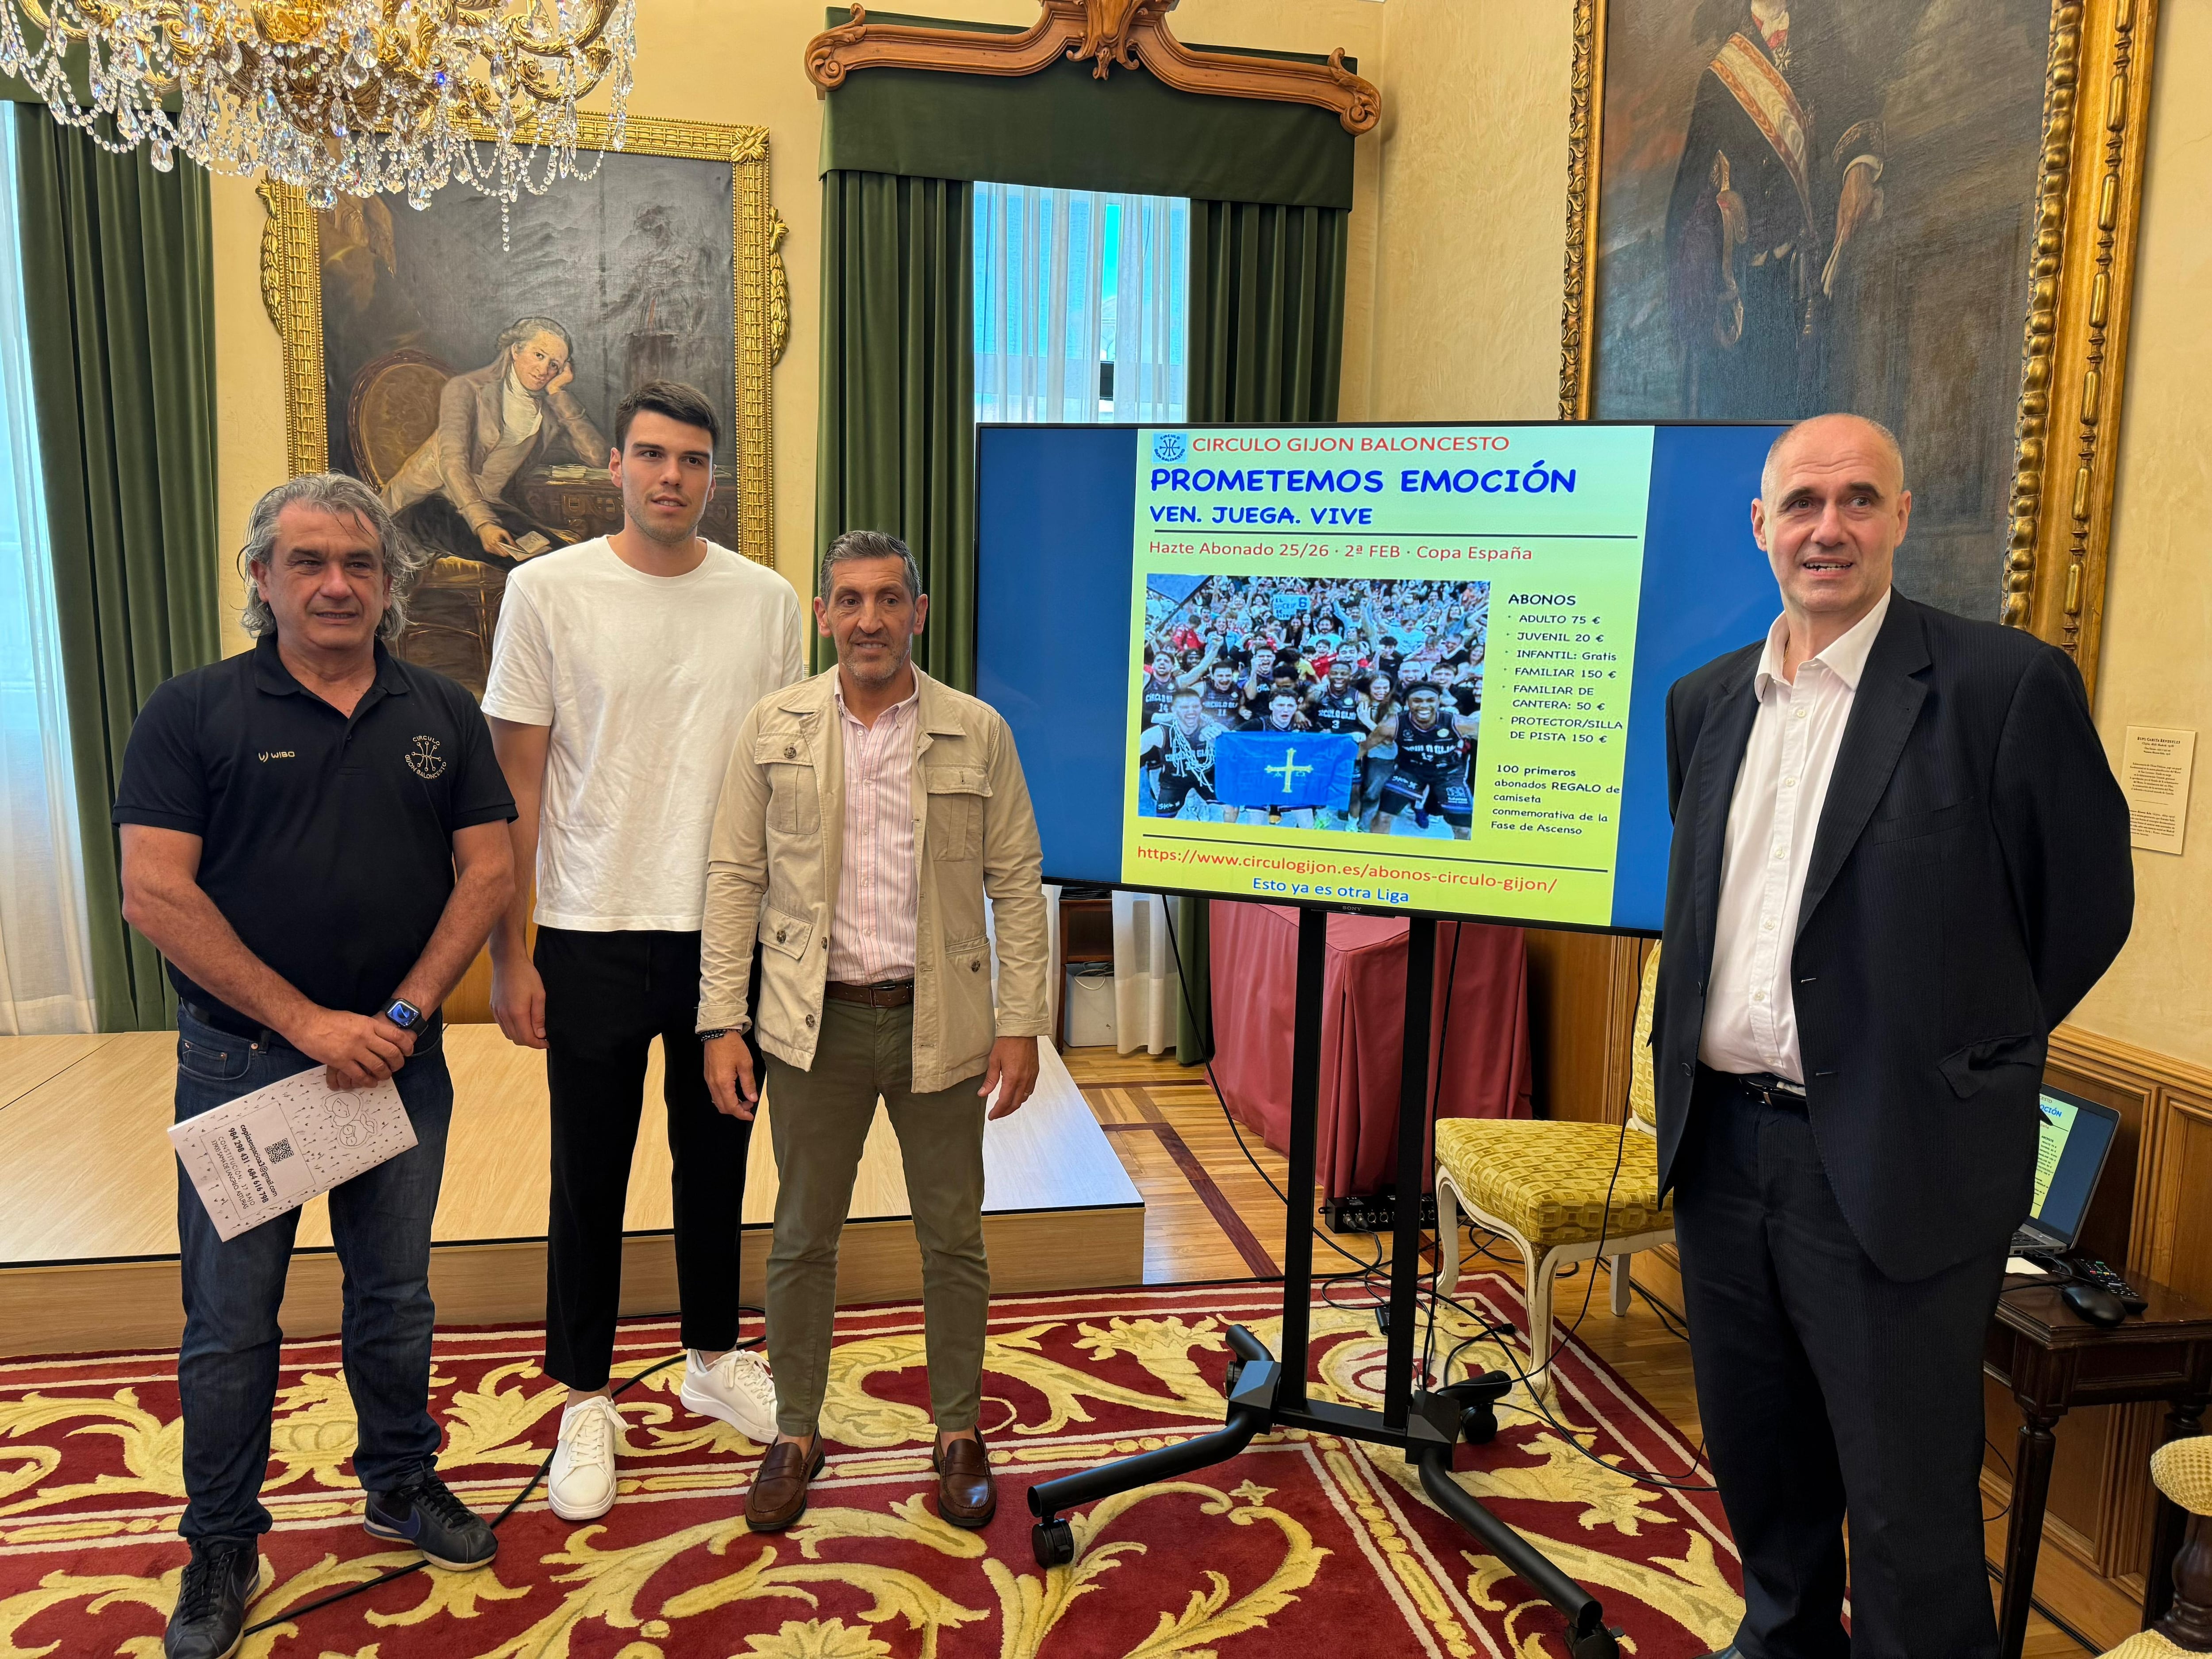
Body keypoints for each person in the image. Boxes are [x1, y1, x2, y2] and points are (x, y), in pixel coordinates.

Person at [1652, 414, 2134, 1659]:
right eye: (1802, 502)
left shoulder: (2001, 688)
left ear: (1903, 519)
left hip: (1895, 1164)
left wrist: (1958, 1060)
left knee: (1911, 1514)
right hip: (1722, 1158)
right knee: (1767, 1480)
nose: (1829, 526)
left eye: (1858, 499)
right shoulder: (1703, 702)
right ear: (1760, 525)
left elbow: (2082, 907)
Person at [115, 474, 518, 1659]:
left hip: (399, 1060)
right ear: (260, 577)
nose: (337, 583)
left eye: (359, 561)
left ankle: (399, 1480)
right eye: (308, 561)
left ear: (388, 582)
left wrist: (397, 1011)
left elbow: (489, 870)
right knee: (231, 1322)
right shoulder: (191, 712)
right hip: (245, 1066)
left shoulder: (440, 705)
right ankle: (224, 1543)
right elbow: (154, 891)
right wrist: (311, 1022)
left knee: (395, 1296)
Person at [481, 380, 805, 1523]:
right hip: (589, 925)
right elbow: (515, 786)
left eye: (694, 460)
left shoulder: (766, 601)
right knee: (591, 1174)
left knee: (717, 1161)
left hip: (728, 932)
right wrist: (510, 953)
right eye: (654, 455)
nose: (673, 475)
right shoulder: (546, 592)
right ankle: (584, 1394)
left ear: (711, 475)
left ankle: (714, 1356)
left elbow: (783, 781)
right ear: (615, 462)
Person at [698, 528, 1051, 1535]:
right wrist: (721, 1017)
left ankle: (954, 1429)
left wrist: (1021, 1020)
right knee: (803, 1235)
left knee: (953, 1235)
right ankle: (797, 1428)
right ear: (823, 615)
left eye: (889, 598)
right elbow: (733, 877)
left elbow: (1016, 883)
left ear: (918, 613)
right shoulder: (774, 725)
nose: (868, 619)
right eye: (848, 600)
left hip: (940, 1022)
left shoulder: (977, 730)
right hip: (814, 1026)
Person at [384, 315, 607, 570]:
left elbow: (597, 456)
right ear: (516, 350)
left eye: (555, 365)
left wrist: (559, 393)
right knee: (542, 570)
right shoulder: (467, 389)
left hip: (490, 506)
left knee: (568, 562)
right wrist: (483, 523)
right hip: (430, 504)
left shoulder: (547, 409)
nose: (545, 370)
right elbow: (452, 463)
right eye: (539, 355)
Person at [1365, 683, 1478, 840]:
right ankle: (1376, 854)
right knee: (1383, 817)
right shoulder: (1392, 724)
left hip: (1448, 773)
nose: (1424, 706)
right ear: (1408, 703)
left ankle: (1461, 862)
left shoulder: (1458, 723)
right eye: (1417, 701)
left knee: (1464, 830)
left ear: (1439, 702)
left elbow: (1495, 739)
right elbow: (1363, 748)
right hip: (1411, 770)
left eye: (1430, 700)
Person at [1140, 687, 1228, 820]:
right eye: (1185, 707)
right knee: (1164, 824)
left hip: (1206, 778)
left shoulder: (1214, 729)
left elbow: (1236, 756)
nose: (1191, 712)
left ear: (1201, 707)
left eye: (1195, 706)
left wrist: (1216, 745)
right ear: (1174, 711)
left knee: (1230, 809)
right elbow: (1131, 753)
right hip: (1174, 782)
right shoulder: (1160, 732)